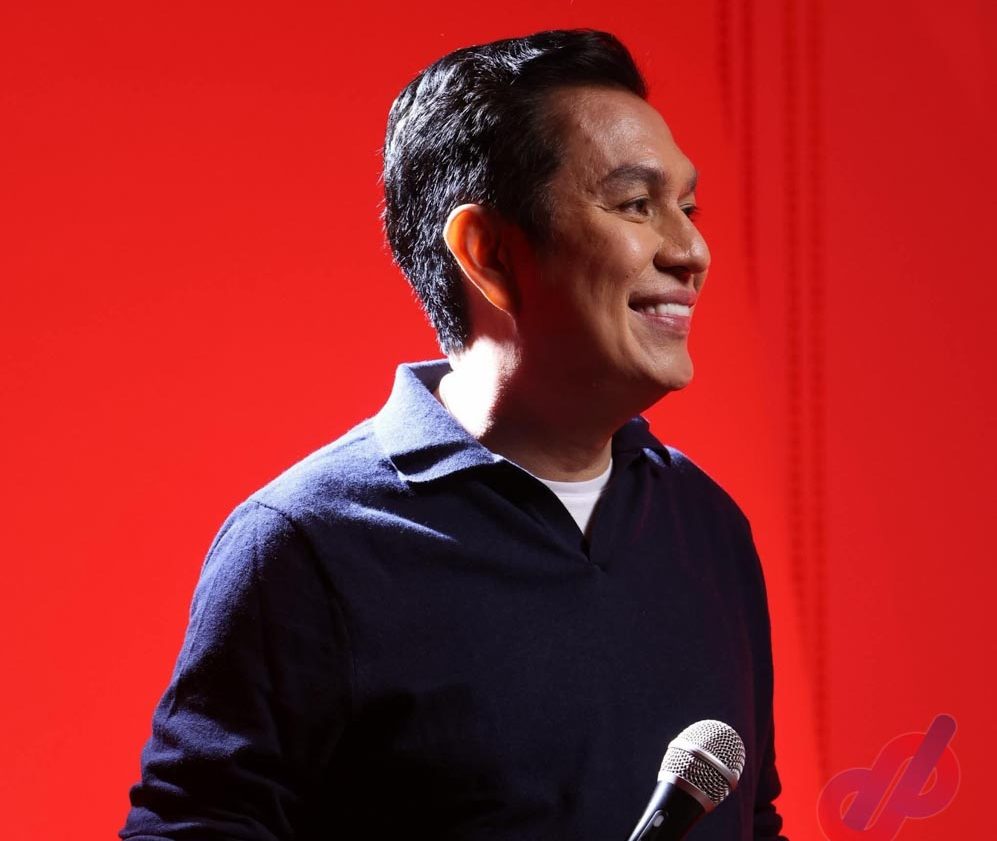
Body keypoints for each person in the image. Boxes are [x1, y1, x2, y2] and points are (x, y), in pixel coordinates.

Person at [121, 28, 788, 840]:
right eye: (634, 205)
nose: (691, 251)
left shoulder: (707, 528)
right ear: (487, 253)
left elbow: (751, 819)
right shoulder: (305, 546)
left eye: (686, 208)